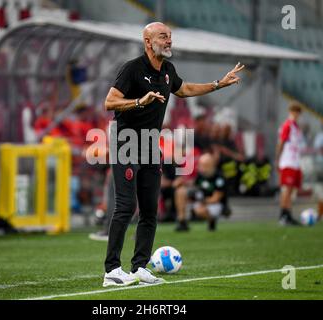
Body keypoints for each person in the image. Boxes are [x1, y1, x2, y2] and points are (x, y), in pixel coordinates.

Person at [102, 21, 244, 287]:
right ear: (148, 42)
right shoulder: (132, 69)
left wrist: (218, 84)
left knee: (149, 210)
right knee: (125, 206)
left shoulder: (167, 70)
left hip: (150, 146)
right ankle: (111, 270)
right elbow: (109, 101)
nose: (169, 41)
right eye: (163, 36)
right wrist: (138, 102)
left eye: (170, 36)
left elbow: (185, 89)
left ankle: (140, 267)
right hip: (125, 142)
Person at [175, 152, 228, 232]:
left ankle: (212, 220)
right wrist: (183, 182)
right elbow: (195, 185)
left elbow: (216, 198)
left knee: (199, 211)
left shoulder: (219, 177)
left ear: (211, 165)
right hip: (202, 201)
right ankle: (182, 221)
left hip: (215, 204)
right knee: (180, 191)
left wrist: (202, 202)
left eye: (204, 165)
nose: (200, 167)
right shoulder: (201, 175)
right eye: (201, 165)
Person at [275, 103, 304, 226]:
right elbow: (281, 142)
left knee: (291, 190)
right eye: (294, 111)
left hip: (295, 162)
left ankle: (288, 214)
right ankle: (283, 215)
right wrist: (278, 158)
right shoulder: (287, 126)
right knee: (286, 189)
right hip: (287, 161)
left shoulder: (296, 127)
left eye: (298, 112)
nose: (296, 114)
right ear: (290, 111)